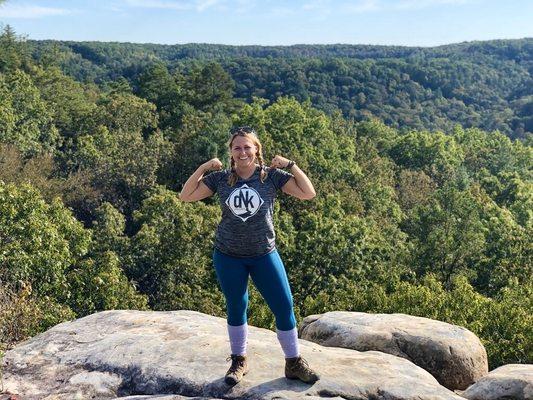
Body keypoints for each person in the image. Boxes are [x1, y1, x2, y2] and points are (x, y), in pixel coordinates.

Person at [180, 126, 319, 386]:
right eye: (237, 148)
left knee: (284, 306)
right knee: (236, 306)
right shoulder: (220, 179)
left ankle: (293, 362)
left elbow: (308, 193)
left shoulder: (271, 177)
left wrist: (292, 165)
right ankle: (238, 360)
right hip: (228, 255)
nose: (242, 152)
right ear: (231, 153)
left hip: (264, 254)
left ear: (256, 150)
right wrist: (202, 169)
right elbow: (185, 196)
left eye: (247, 147)